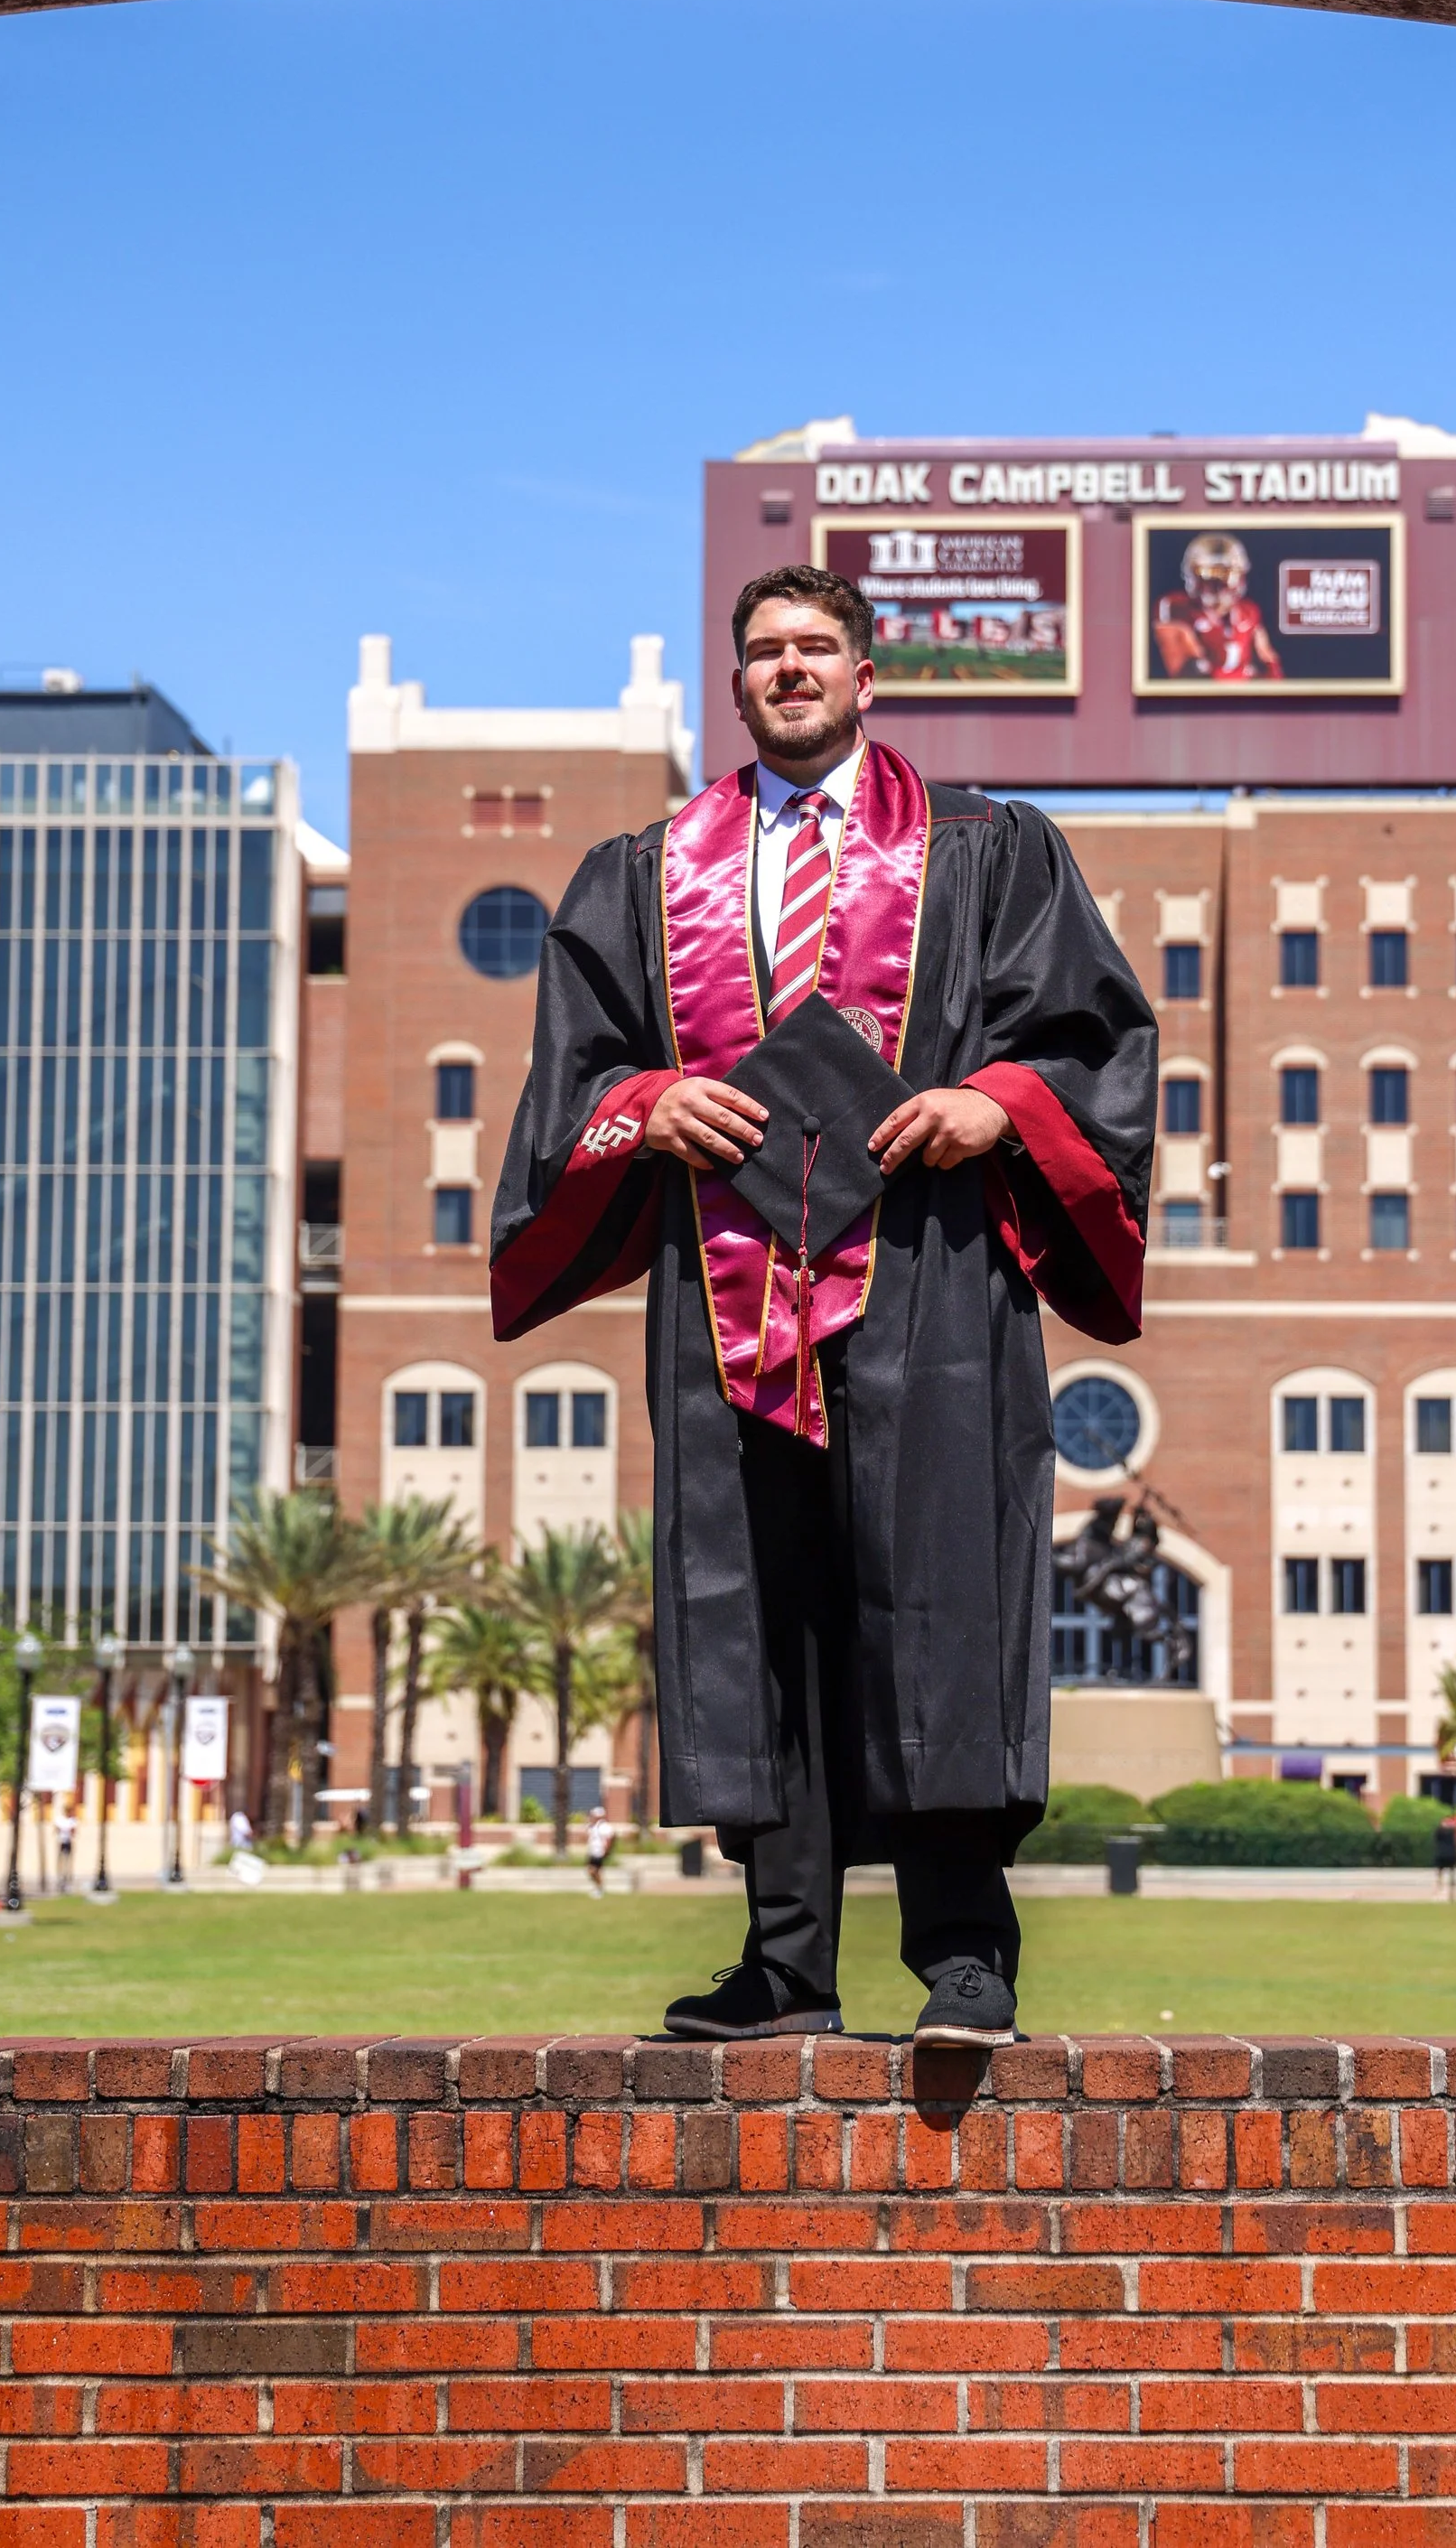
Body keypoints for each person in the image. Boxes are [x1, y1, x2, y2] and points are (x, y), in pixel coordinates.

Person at [490, 566, 1154, 2047]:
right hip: (731, 1291)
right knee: (759, 1610)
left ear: (867, 675)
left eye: (816, 648)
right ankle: (785, 1956)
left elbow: (1095, 1040)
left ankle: (965, 1954)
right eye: (764, 653)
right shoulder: (647, 873)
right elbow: (575, 1079)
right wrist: (649, 1103)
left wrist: (998, 1103)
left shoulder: (991, 850)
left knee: (937, 1592)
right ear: (737, 687)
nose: (790, 670)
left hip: (930, 1275)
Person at [1152, 531, 1280, 682]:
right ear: (1193, 575)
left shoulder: (1248, 611)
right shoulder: (1174, 607)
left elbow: (1271, 671)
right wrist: (1243, 676)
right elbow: (1190, 675)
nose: (1218, 585)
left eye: (1226, 575)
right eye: (1208, 574)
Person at [583, 1803, 616, 1897]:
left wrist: (606, 1851)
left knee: (594, 1871)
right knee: (592, 1871)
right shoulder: (593, 1827)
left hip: (599, 1852)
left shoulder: (605, 1827)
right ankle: (598, 1887)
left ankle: (600, 1888)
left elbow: (609, 1839)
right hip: (593, 1851)